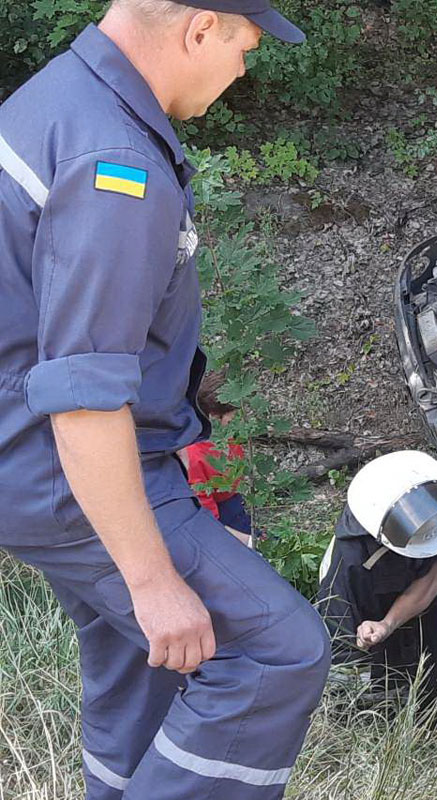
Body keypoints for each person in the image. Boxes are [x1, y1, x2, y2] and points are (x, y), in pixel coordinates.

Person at [0, 3, 329, 798]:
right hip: (73, 471)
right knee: (277, 650)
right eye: (246, 46)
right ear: (201, 29)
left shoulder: (53, 100)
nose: (244, 70)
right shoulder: (116, 163)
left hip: (35, 460)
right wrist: (153, 580)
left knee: (143, 663)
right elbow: (83, 399)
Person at [315, 451, 437, 709]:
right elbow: (344, 648)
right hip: (370, 614)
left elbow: (436, 577)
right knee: (381, 677)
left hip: (433, 601)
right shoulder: (348, 567)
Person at [181, 371, 254, 543]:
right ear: (215, 416)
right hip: (222, 511)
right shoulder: (195, 456)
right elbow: (209, 520)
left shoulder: (224, 433)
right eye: (233, 414)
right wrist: (247, 542)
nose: (238, 418)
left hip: (233, 497)